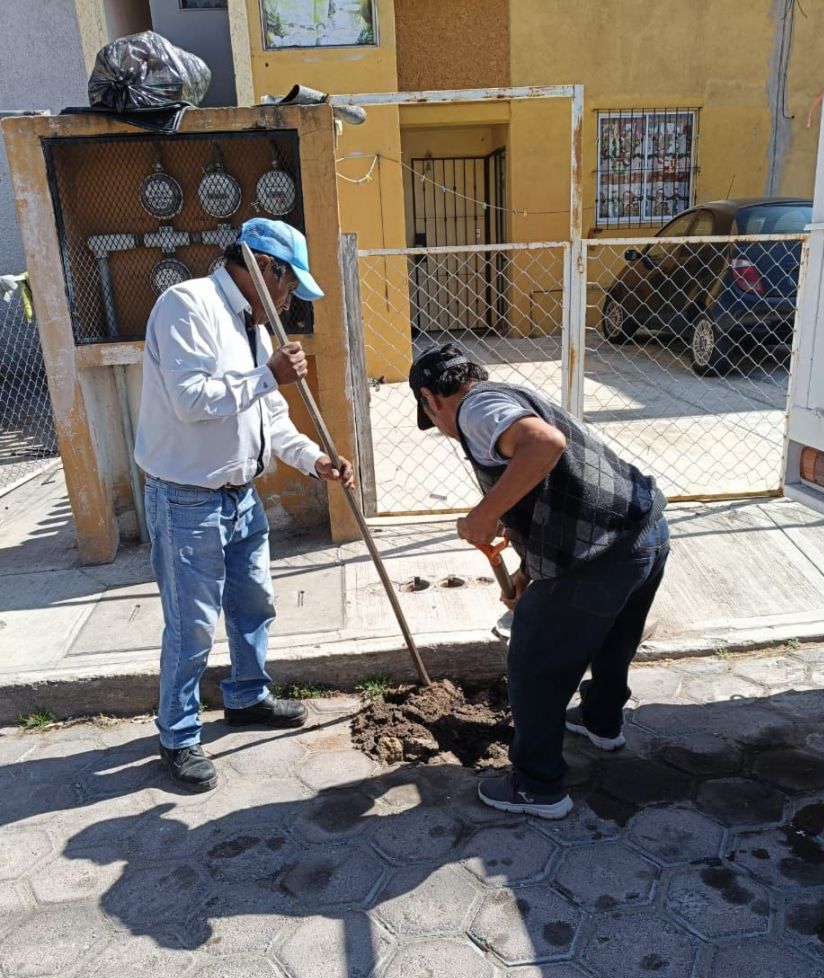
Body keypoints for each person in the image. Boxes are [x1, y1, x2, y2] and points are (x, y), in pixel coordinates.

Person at [135, 218, 353, 792]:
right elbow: (190, 400)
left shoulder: (253, 327)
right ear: (265, 268)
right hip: (187, 499)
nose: (289, 299)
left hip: (241, 496)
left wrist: (315, 460)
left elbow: (271, 419)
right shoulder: (187, 306)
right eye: (289, 284)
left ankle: (247, 697)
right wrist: (267, 374)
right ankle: (178, 735)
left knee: (254, 603)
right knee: (191, 626)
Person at [409, 344, 669, 820]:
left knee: (531, 659)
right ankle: (602, 722)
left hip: (601, 555)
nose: (442, 429)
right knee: (614, 639)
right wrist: (527, 573)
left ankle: (537, 786)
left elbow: (545, 445)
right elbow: (551, 492)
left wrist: (482, 514)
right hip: (645, 533)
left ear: (430, 398)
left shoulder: (474, 410)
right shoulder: (509, 396)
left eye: (431, 417)